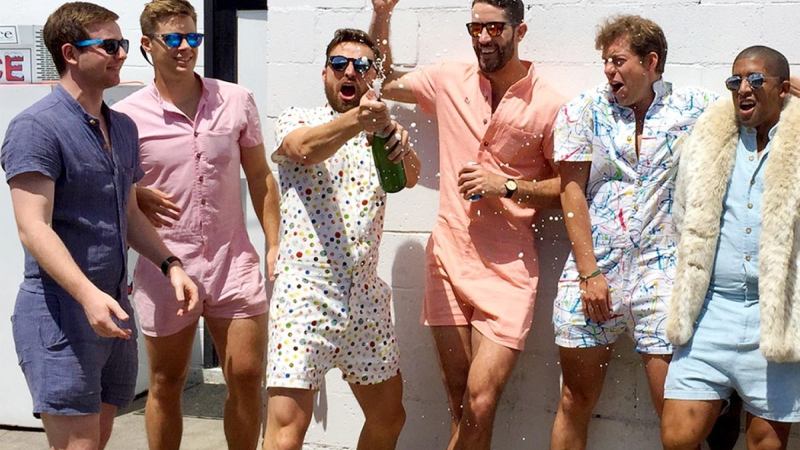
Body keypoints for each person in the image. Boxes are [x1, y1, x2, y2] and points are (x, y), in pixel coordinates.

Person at [0, 2, 198, 449]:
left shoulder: (123, 126)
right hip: (61, 314)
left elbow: (129, 214)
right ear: (70, 53)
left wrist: (170, 264)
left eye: (122, 44)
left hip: (112, 310)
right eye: (109, 46)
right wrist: (89, 296)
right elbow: (33, 228)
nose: (122, 53)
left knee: (98, 440)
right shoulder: (35, 128)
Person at [370, 1, 563, 447]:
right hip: (448, 259)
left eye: (494, 28)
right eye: (476, 28)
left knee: (480, 401)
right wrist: (382, 15)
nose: (483, 38)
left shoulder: (549, 104)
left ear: (519, 31)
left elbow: (566, 188)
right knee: (459, 402)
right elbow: (384, 80)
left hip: (510, 271)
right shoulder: (448, 80)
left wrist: (507, 186)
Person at [548, 15, 723, 450]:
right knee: (574, 399)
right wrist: (589, 272)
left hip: (662, 273)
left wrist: (786, 87)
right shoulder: (584, 109)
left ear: (651, 62)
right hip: (594, 268)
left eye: (618, 60)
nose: (609, 70)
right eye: (605, 61)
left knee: (676, 414)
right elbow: (571, 191)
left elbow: (754, 105)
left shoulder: (694, 106)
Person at [112, 1, 280, 449]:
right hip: (165, 262)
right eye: (173, 38)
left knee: (246, 375)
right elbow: (113, 190)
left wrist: (274, 243)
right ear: (147, 45)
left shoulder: (236, 100)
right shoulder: (126, 116)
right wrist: (137, 194)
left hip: (232, 259)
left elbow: (261, 176)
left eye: (193, 37)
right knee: (166, 381)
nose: (185, 47)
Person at [263, 28, 420, 450]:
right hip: (305, 295)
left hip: (365, 298)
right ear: (324, 73)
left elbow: (411, 177)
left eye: (362, 65)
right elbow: (303, 149)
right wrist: (359, 121)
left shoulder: (380, 132)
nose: (350, 71)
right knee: (286, 433)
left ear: (372, 76)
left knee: (389, 417)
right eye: (339, 64)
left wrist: (400, 145)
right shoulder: (298, 118)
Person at [661, 45, 800, 450]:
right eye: (735, 80)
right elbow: (684, 212)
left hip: (777, 318)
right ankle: (726, 404)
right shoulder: (709, 138)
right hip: (712, 313)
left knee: (765, 444)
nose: (744, 88)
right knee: (677, 438)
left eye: (756, 79)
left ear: (783, 88)